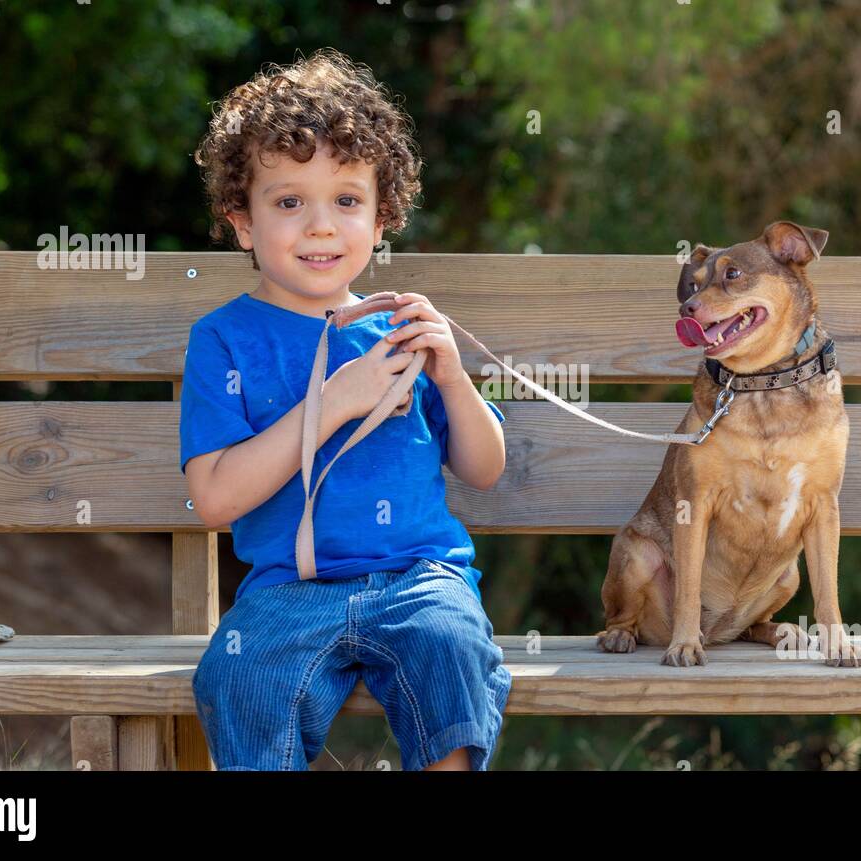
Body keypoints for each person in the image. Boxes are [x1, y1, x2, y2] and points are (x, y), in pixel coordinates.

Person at [179, 48, 511, 771]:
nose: (321, 226)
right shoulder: (224, 340)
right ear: (242, 221)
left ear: (383, 217)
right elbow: (213, 498)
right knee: (236, 675)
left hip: (421, 577)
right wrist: (334, 401)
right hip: (288, 591)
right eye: (289, 201)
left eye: (348, 200)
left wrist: (454, 376)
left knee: (454, 651)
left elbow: (485, 469)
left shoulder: (401, 331)